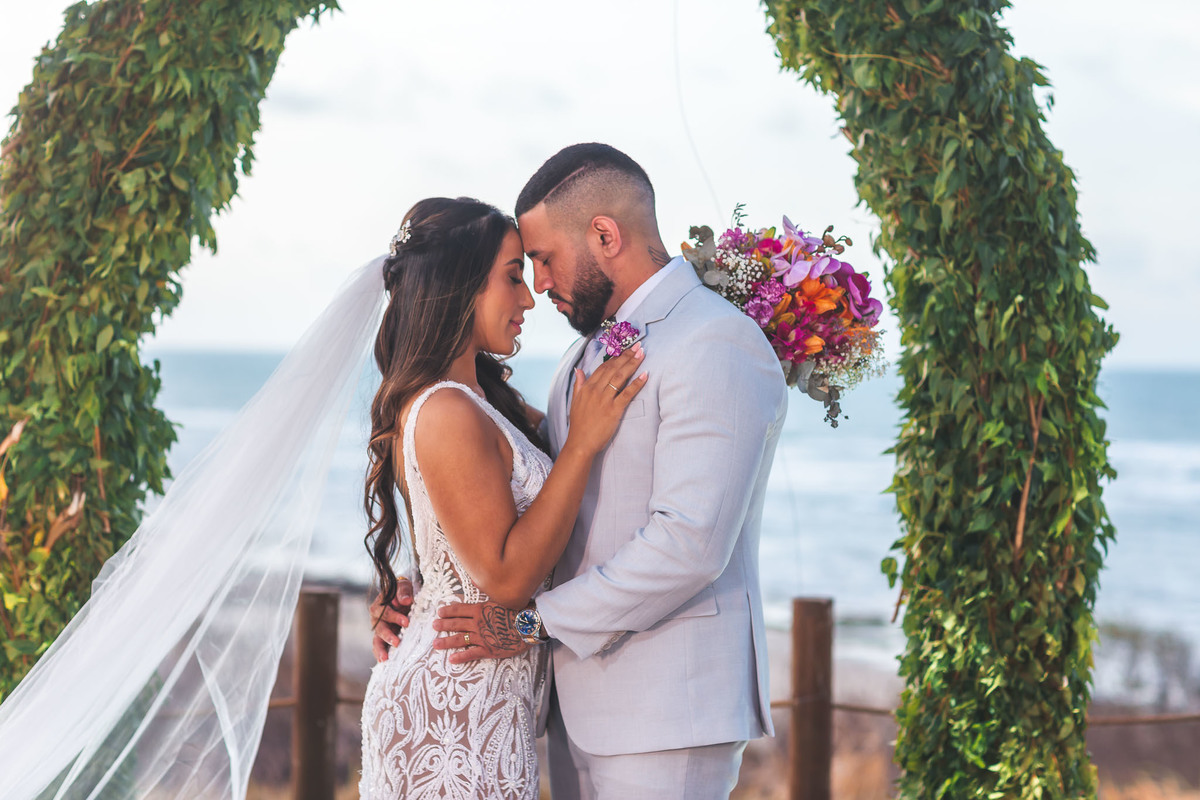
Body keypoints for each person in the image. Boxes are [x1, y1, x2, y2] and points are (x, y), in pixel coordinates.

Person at [375, 144, 789, 799]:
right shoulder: (581, 358)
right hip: (568, 709)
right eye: (523, 268)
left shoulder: (716, 341)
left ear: (604, 234)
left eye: (541, 260)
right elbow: (506, 488)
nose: (538, 285)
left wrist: (533, 624)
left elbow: (689, 546)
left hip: (664, 712)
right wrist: (424, 578)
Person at [357, 196, 648, 800]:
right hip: (450, 711)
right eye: (514, 276)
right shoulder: (445, 411)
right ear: (461, 287)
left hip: (486, 702)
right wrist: (581, 446)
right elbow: (506, 580)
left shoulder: (481, 402)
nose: (529, 298)